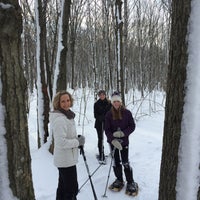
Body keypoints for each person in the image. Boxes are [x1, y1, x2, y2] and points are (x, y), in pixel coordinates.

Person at [50, 91, 85, 200]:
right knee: (71, 190)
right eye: (63, 101)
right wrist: (77, 142)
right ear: (58, 103)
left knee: (63, 188)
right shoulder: (60, 119)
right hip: (65, 161)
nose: (66, 103)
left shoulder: (67, 116)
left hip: (67, 159)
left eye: (68, 100)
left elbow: (67, 137)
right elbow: (60, 142)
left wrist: (76, 139)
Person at [105, 91, 138, 196]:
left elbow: (132, 126)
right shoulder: (109, 114)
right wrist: (112, 140)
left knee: (125, 162)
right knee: (116, 161)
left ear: (121, 102)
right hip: (113, 142)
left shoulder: (127, 113)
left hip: (124, 142)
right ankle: (119, 179)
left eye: (117, 101)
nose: (116, 103)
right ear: (112, 102)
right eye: (114, 101)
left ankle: (130, 181)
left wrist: (123, 133)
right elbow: (107, 129)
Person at [94, 90, 111, 163]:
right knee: (100, 138)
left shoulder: (109, 103)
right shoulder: (96, 104)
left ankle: (113, 152)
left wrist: (107, 118)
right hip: (99, 124)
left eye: (103, 94)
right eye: (100, 95)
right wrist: (101, 118)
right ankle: (101, 154)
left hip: (108, 123)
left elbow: (111, 112)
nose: (102, 96)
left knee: (110, 137)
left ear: (105, 95)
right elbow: (95, 115)